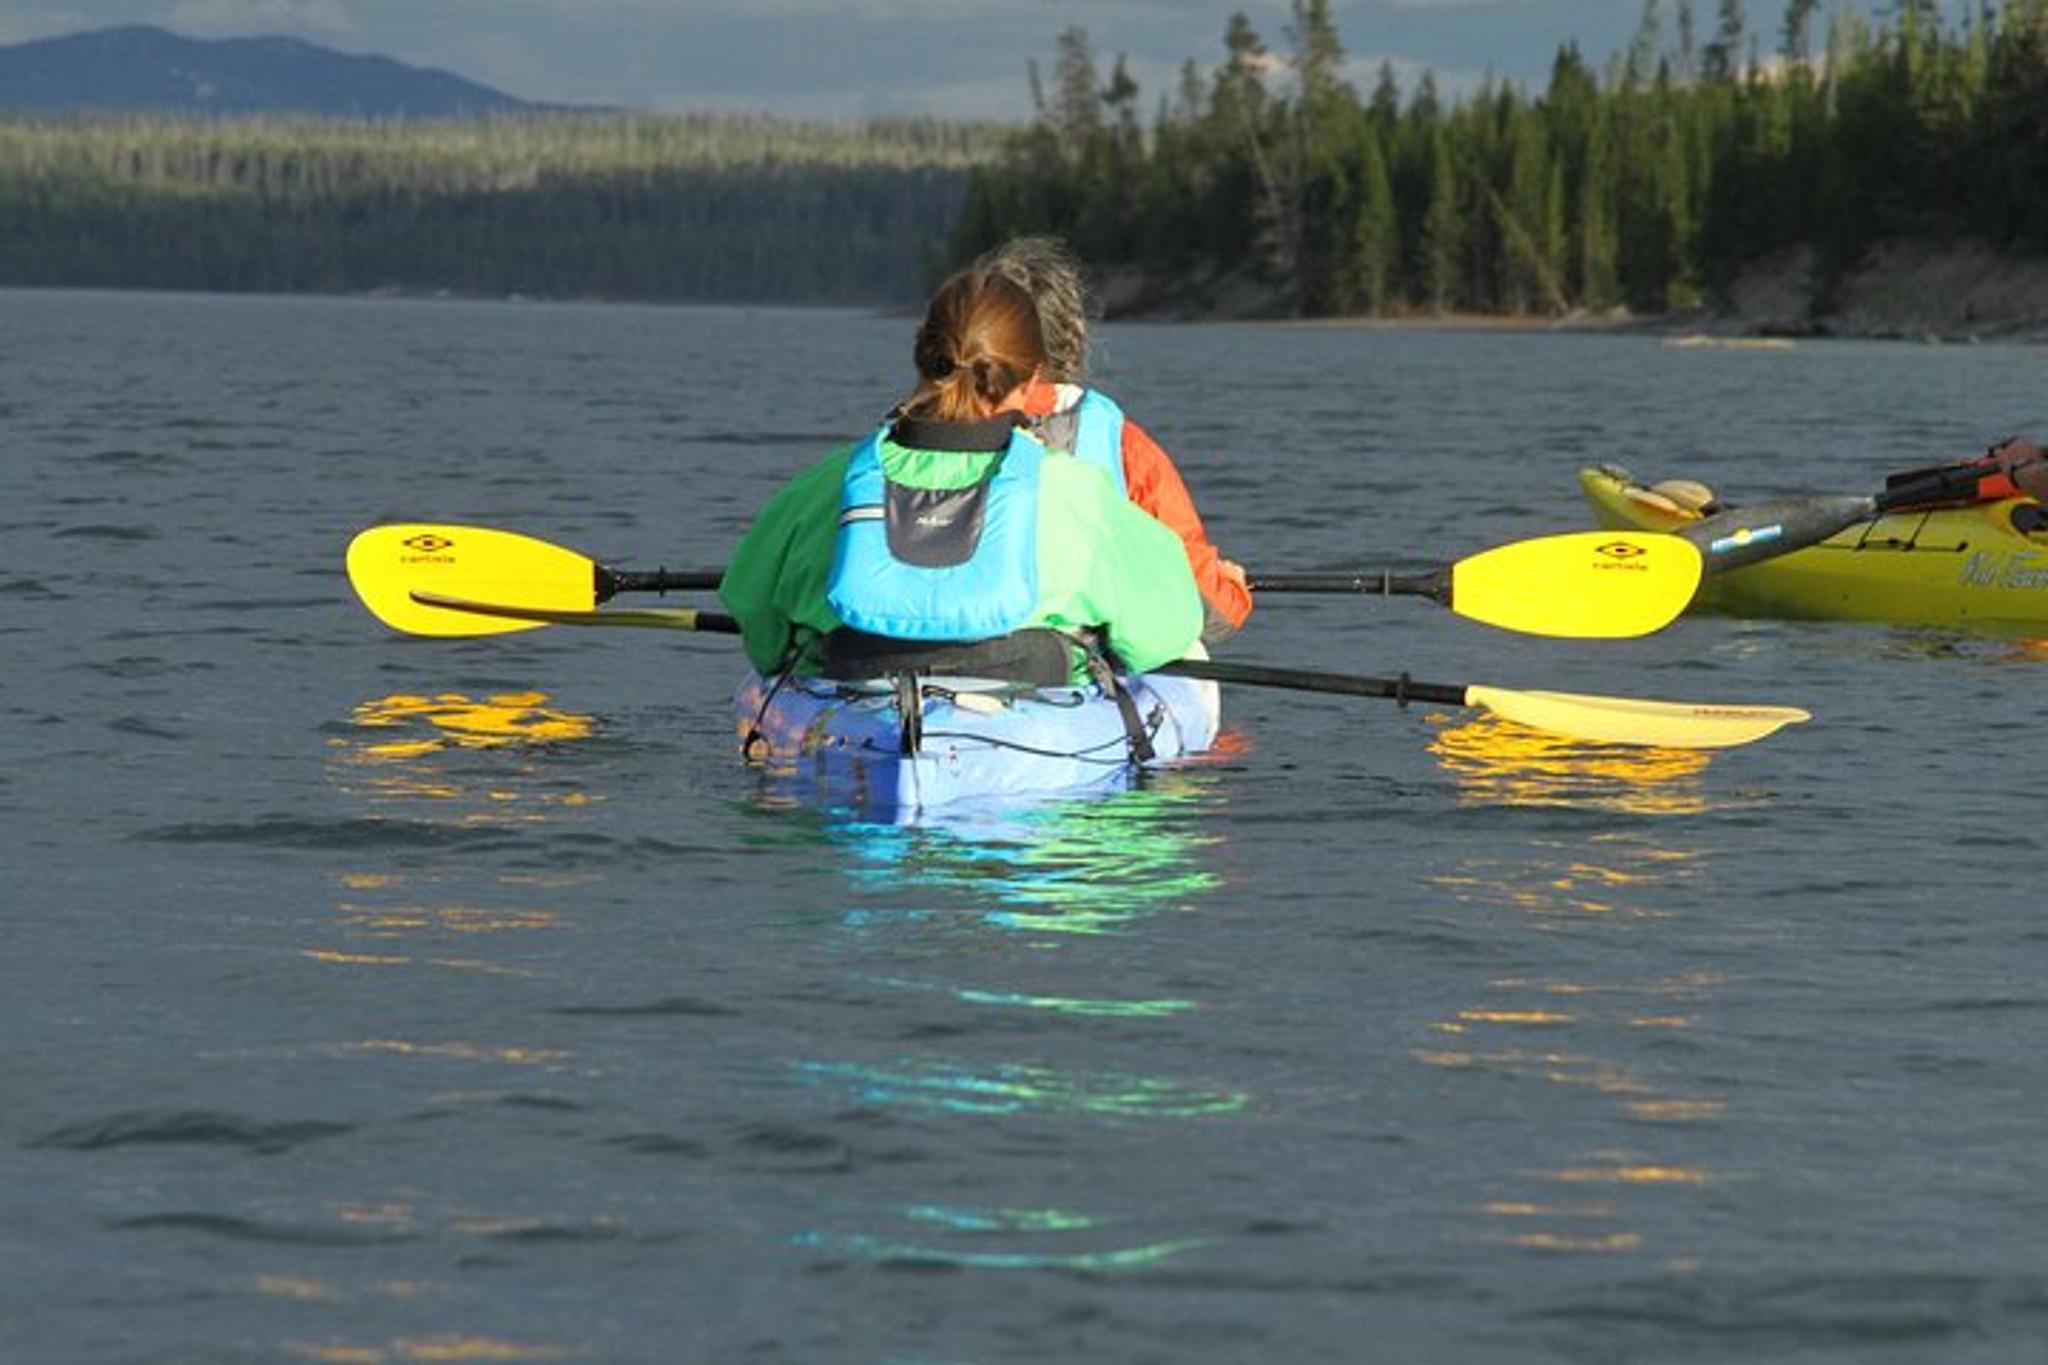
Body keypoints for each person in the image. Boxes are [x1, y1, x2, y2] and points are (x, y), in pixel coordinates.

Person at [717, 267, 1205, 696]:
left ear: (922, 358)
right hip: (1033, 724)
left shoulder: (824, 487)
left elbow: (755, 620)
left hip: (862, 708)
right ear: (1034, 377)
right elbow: (1166, 631)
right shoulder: (1082, 496)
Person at [973, 236, 1253, 643]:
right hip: (1065, 673)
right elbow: (1207, 606)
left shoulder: (908, 434)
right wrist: (1232, 586)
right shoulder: (1125, 448)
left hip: (919, 671)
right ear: (1072, 340)